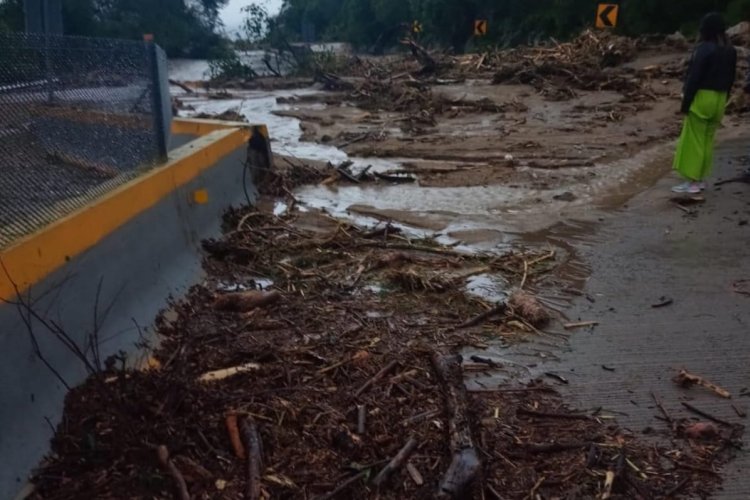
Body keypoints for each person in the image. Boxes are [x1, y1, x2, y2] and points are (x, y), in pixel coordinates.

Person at [672, 12, 737, 194]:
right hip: (720, 98)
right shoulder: (730, 50)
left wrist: (686, 103)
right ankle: (700, 180)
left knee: (694, 140)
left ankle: (692, 182)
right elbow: (731, 78)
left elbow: (694, 78)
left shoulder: (704, 49)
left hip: (702, 97)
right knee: (708, 140)